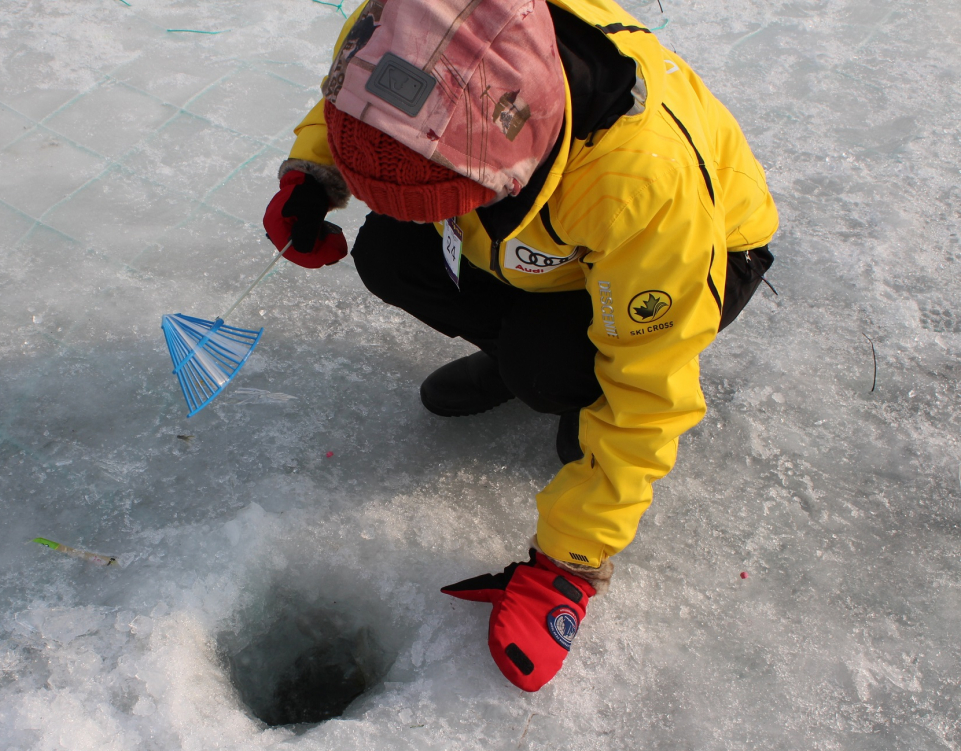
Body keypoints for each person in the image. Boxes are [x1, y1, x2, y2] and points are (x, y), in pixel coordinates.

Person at [263, 0, 778, 692]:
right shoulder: (426, 20)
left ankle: (549, 376)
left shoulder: (645, 188)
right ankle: (518, 357)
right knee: (390, 252)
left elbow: (648, 390)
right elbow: (369, 94)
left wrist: (571, 564)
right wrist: (318, 173)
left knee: (554, 365)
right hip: (530, 233)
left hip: (694, 257)